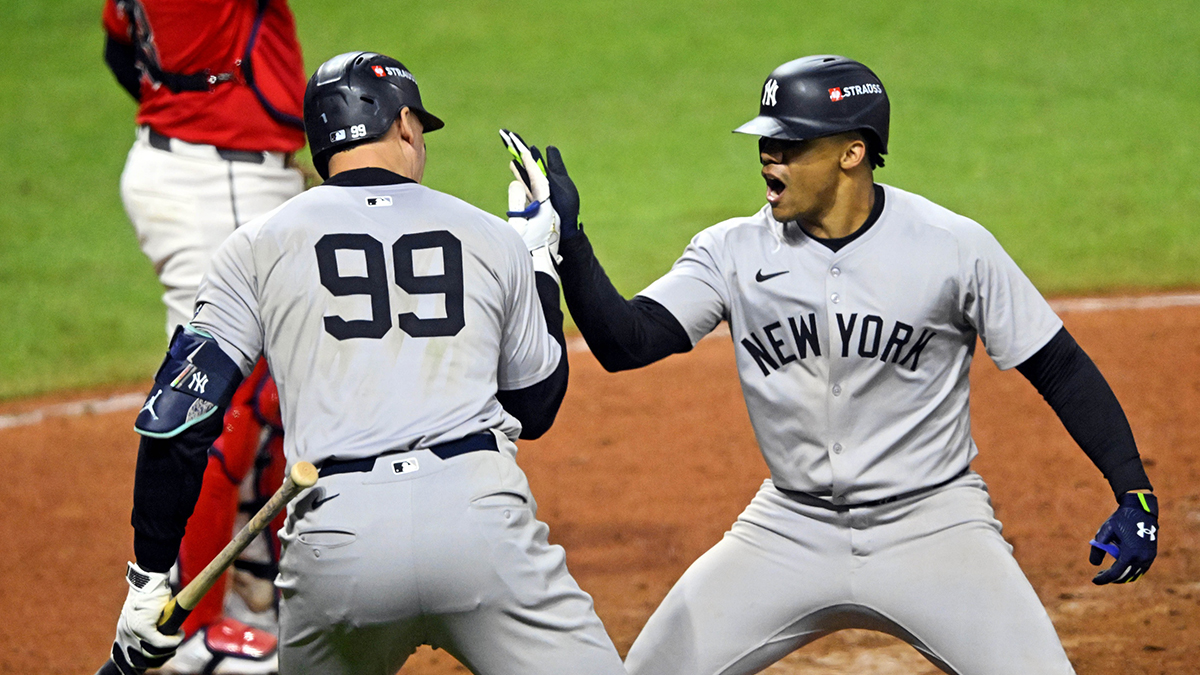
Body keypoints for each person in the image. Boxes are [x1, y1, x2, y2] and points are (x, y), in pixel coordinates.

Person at [520, 55, 1158, 674]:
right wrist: (571, 244)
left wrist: (1133, 493)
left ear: (852, 152)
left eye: (792, 144)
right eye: (766, 141)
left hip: (935, 526)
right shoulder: (731, 251)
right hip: (788, 528)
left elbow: (1061, 368)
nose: (771, 156)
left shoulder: (951, 246)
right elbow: (626, 343)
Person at [107, 50, 626, 675]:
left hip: (337, 543)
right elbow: (536, 406)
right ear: (404, 124)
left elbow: (179, 420)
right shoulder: (489, 236)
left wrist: (149, 576)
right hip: (482, 528)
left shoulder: (253, 246)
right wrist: (539, 262)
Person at [102, 1, 307, 670]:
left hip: (209, 161)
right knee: (219, 394)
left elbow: (119, 49)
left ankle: (253, 580)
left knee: (268, 387)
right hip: (218, 173)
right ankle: (187, 627)